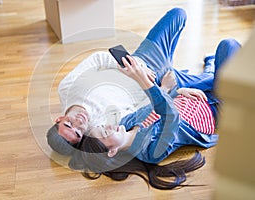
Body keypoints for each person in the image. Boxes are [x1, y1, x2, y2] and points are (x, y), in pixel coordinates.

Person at [47, 7, 241, 156]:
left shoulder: (67, 88)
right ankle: (211, 69)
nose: (78, 124)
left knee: (178, 14)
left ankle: (211, 69)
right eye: (78, 133)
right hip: (160, 83)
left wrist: (133, 67)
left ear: (59, 119)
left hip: (143, 60)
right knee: (220, 78)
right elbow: (143, 109)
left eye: (68, 125)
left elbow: (97, 59)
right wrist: (162, 87)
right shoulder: (103, 126)